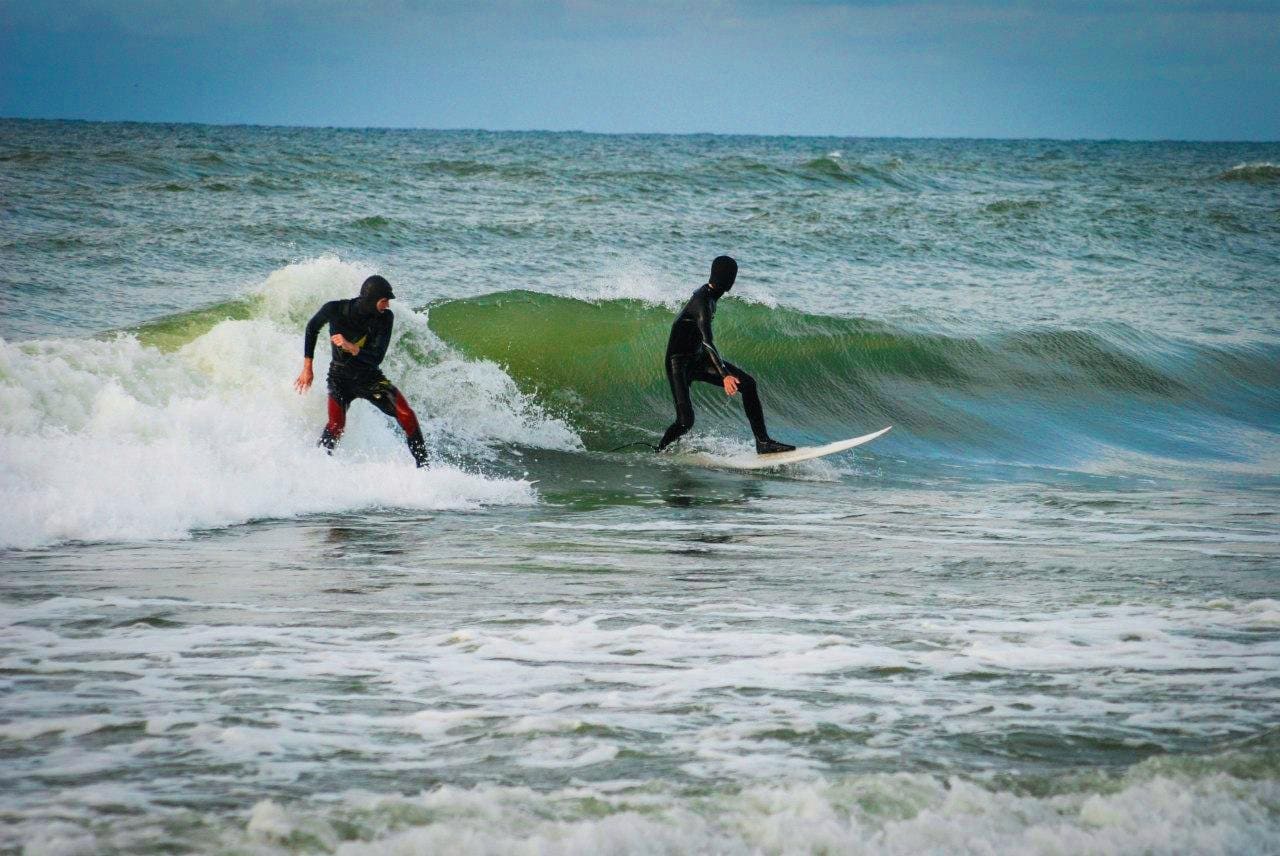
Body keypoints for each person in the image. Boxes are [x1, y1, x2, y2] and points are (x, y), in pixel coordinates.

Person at [657, 256, 795, 455]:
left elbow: (702, 344)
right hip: (678, 363)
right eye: (732, 276)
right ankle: (660, 452)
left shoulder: (711, 296)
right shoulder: (702, 301)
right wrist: (725, 375)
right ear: (728, 280)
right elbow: (707, 341)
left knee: (748, 384)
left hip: (697, 358)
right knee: (685, 421)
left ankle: (763, 443)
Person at [294, 275, 429, 468]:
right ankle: (317, 467)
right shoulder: (335, 309)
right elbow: (312, 327)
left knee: (406, 414)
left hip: (370, 377)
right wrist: (308, 367)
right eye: (384, 301)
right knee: (336, 426)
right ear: (372, 300)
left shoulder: (385, 318)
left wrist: (353, 347)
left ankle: (424, 468)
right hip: (340, 378)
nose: (388, 305)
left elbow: (377, 357)